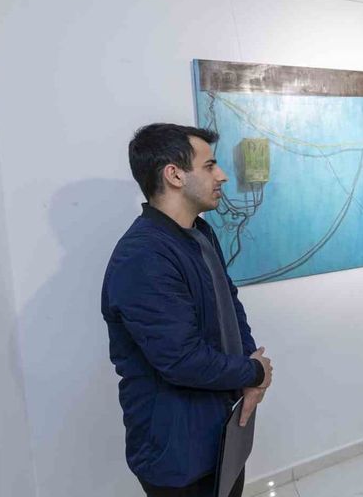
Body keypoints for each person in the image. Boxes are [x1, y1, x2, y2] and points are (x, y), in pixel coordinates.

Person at [101, 123, 274, 497]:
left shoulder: (200, 233)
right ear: (174, 174)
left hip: (222, 430)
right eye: (209, 166)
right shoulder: (143, 256)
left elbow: (229, 303)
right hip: (177, 452)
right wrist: (256, 371)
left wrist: (249, 371)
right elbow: (182, 360)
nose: (222, 175)